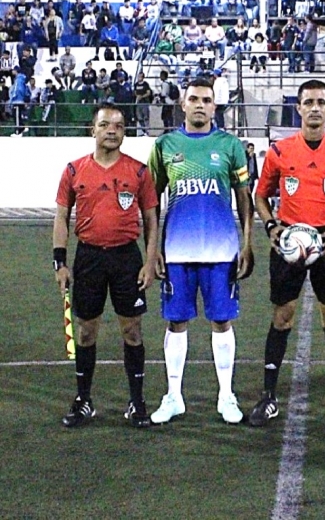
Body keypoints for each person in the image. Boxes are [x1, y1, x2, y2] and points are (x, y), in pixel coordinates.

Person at [250, 80, 325, 429]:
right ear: (298, 108)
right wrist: (271, 227)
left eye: (321, 102)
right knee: (282, 316)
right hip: (289, 245)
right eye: (308, 102)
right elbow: (260, 196)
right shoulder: (279, 152)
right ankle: (268, 397)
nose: (315, 108)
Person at [147, 76, 254, 425]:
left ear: (214, 105)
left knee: (221, 320)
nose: (200, 105)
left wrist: (247, 244)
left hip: (221, 250)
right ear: (182, 103)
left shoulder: (229, 145)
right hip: (177, 250)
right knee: (176, 321)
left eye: (206, 100)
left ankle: (226, 395)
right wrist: (154, 249)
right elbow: (151, 203)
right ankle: (174, 396)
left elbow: (244, 200)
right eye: (193, 98)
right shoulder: (165, 146)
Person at [53, 102, 159, 428]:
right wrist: (60, 261)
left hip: (127, 258)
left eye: (119, 126)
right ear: (93, 130)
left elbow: (152, 219)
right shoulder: (74, 170)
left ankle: (137, 402)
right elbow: (61, 217)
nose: (112, 130)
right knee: (85, 332)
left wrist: (150, 260)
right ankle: (84, 400)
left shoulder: (139, 172)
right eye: (105, 125)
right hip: (88, 258)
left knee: (132, 330)